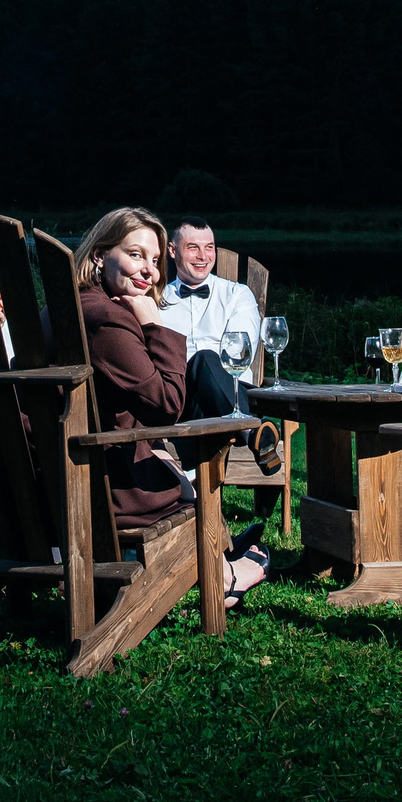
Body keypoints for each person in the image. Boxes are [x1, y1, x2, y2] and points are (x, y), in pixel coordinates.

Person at [75, 206, 280, 604]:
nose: (148, 269)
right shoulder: (111, 318)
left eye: (151, 260)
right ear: (100, 254)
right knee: (181, 477)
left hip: (71, 464)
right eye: (136, 255)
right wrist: (157, 325)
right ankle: (225, 575)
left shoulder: (72, 308)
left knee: (199, 381)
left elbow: (236, 351)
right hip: (108, 481)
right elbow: (166, 404)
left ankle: (224, 552)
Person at [157, 218, 262, 367]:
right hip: (177, 385)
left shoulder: (237, 295)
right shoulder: (157, 299)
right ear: (173, 250)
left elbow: (237, 354)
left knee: (206, 360)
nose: (203, 256)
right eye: (193, 248)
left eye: (209, 247)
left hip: (228, 384)